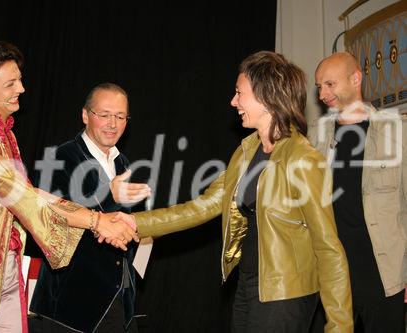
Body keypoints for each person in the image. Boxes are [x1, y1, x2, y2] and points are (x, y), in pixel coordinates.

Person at [114, 51, 353, 332]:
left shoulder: (303, 158)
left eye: (240, 93)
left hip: (286, 295)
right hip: (249, 287)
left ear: (266, 96)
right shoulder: (246, 151)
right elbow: (203, 206)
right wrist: (136, 222)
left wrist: (340, 326)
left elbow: (329, 248)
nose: (233, 101)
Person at [0, 40, 138, 333]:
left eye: (19, 80)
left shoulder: (4, 136)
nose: (21, 89)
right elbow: (25, 199)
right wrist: (96, 220)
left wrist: (99, 220)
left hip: (3, 266)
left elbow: (31, 193)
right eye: (10, 84)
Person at [30, 83, 151, 332]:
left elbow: (119, 225)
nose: (113, 123)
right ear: (85, 115)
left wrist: (142, 228)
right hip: (70, 307)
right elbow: (50, 223)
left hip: (117, 300)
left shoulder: (122, 162)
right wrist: (110, 196)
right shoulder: (60, 158)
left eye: (120, 116)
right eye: (104, 115)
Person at [308, 52, 407, 332]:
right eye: (318, 87)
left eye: (329, 84)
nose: (322, 93)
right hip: (331, 271)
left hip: (383, 273)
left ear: (355, 79)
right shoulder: (316, 138)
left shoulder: (398, 133)